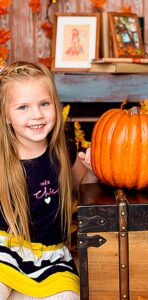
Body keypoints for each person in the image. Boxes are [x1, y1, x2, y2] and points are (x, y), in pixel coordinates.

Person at [0, 61, 97, 299]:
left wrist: (92, 170)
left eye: (44, 103)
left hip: (52, 258)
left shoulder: (64, 152)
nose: (37, 115)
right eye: (23, 107)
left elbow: (82, 189)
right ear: (6, 116)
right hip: (6, 250)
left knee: (69, 297)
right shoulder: (2, 158)